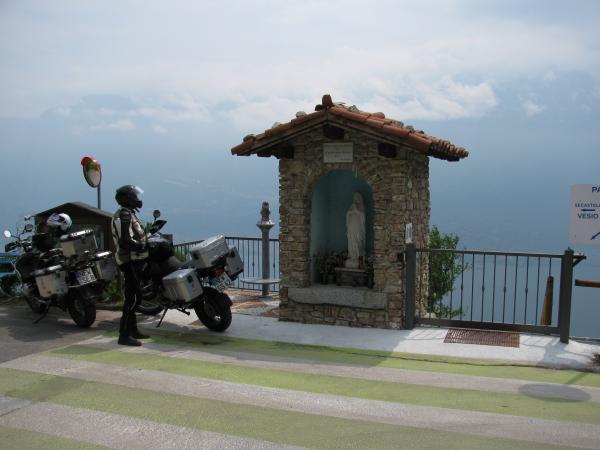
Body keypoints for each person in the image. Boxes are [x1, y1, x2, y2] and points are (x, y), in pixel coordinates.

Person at [112, 185, 150, 346]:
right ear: (126, 198)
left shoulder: (129, 213)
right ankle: (123, 334)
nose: (137, 198)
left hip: (134, 261)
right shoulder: (125, 215)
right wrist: (141, 246)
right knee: (132, 298)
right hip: (129, 261)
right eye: (134, 196)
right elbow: (125, 241)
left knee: (135, 296)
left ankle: (133, 330)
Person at [345, 191, 366, 269]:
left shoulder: (361, 207)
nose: (355, 199)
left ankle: (357, 257)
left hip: (358, 228)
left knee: (357, 241)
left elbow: (363, 217)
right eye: (354, 197)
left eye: (357, 197)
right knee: (351, 241)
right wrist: (350, 212)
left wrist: (356, 211)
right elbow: (347, 215)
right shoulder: (352, 206)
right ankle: (351, 256)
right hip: (351, 227)